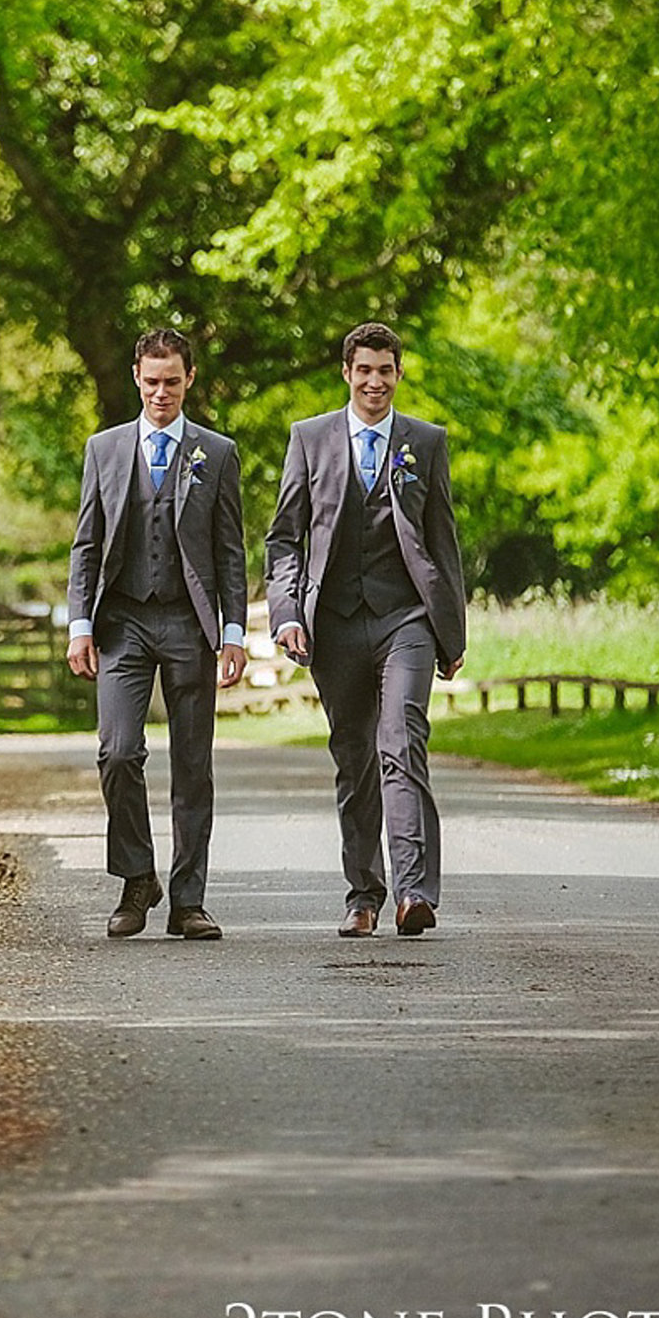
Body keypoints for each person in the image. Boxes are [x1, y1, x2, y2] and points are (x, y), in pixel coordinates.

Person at [265, 321, 467, 937]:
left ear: (399, 374)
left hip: (405, 617)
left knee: (401, 741)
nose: (374, 381)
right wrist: (287, 611)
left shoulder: (426, 442)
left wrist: (450, 633)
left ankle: (413, 892)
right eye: (364, 370)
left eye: (385, 370)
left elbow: (443, 540)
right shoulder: (309, 439)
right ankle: (363, 895)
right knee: (354, 759)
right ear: (347, 374)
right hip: (334, 623)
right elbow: (283, 540)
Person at [66, 328, 247, 941]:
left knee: (193, 765)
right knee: (117, 752)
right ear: (136, 380)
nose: (161, 393)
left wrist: (235, 632)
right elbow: (87, 544)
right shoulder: (105, 449)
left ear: (189, 379)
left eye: (172, 381)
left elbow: (230, 552)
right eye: (151, 382)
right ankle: (137, 877)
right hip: (122, 622)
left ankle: (189, 901)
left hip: (189, 624)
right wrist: (80, 625)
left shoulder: (216, 454)